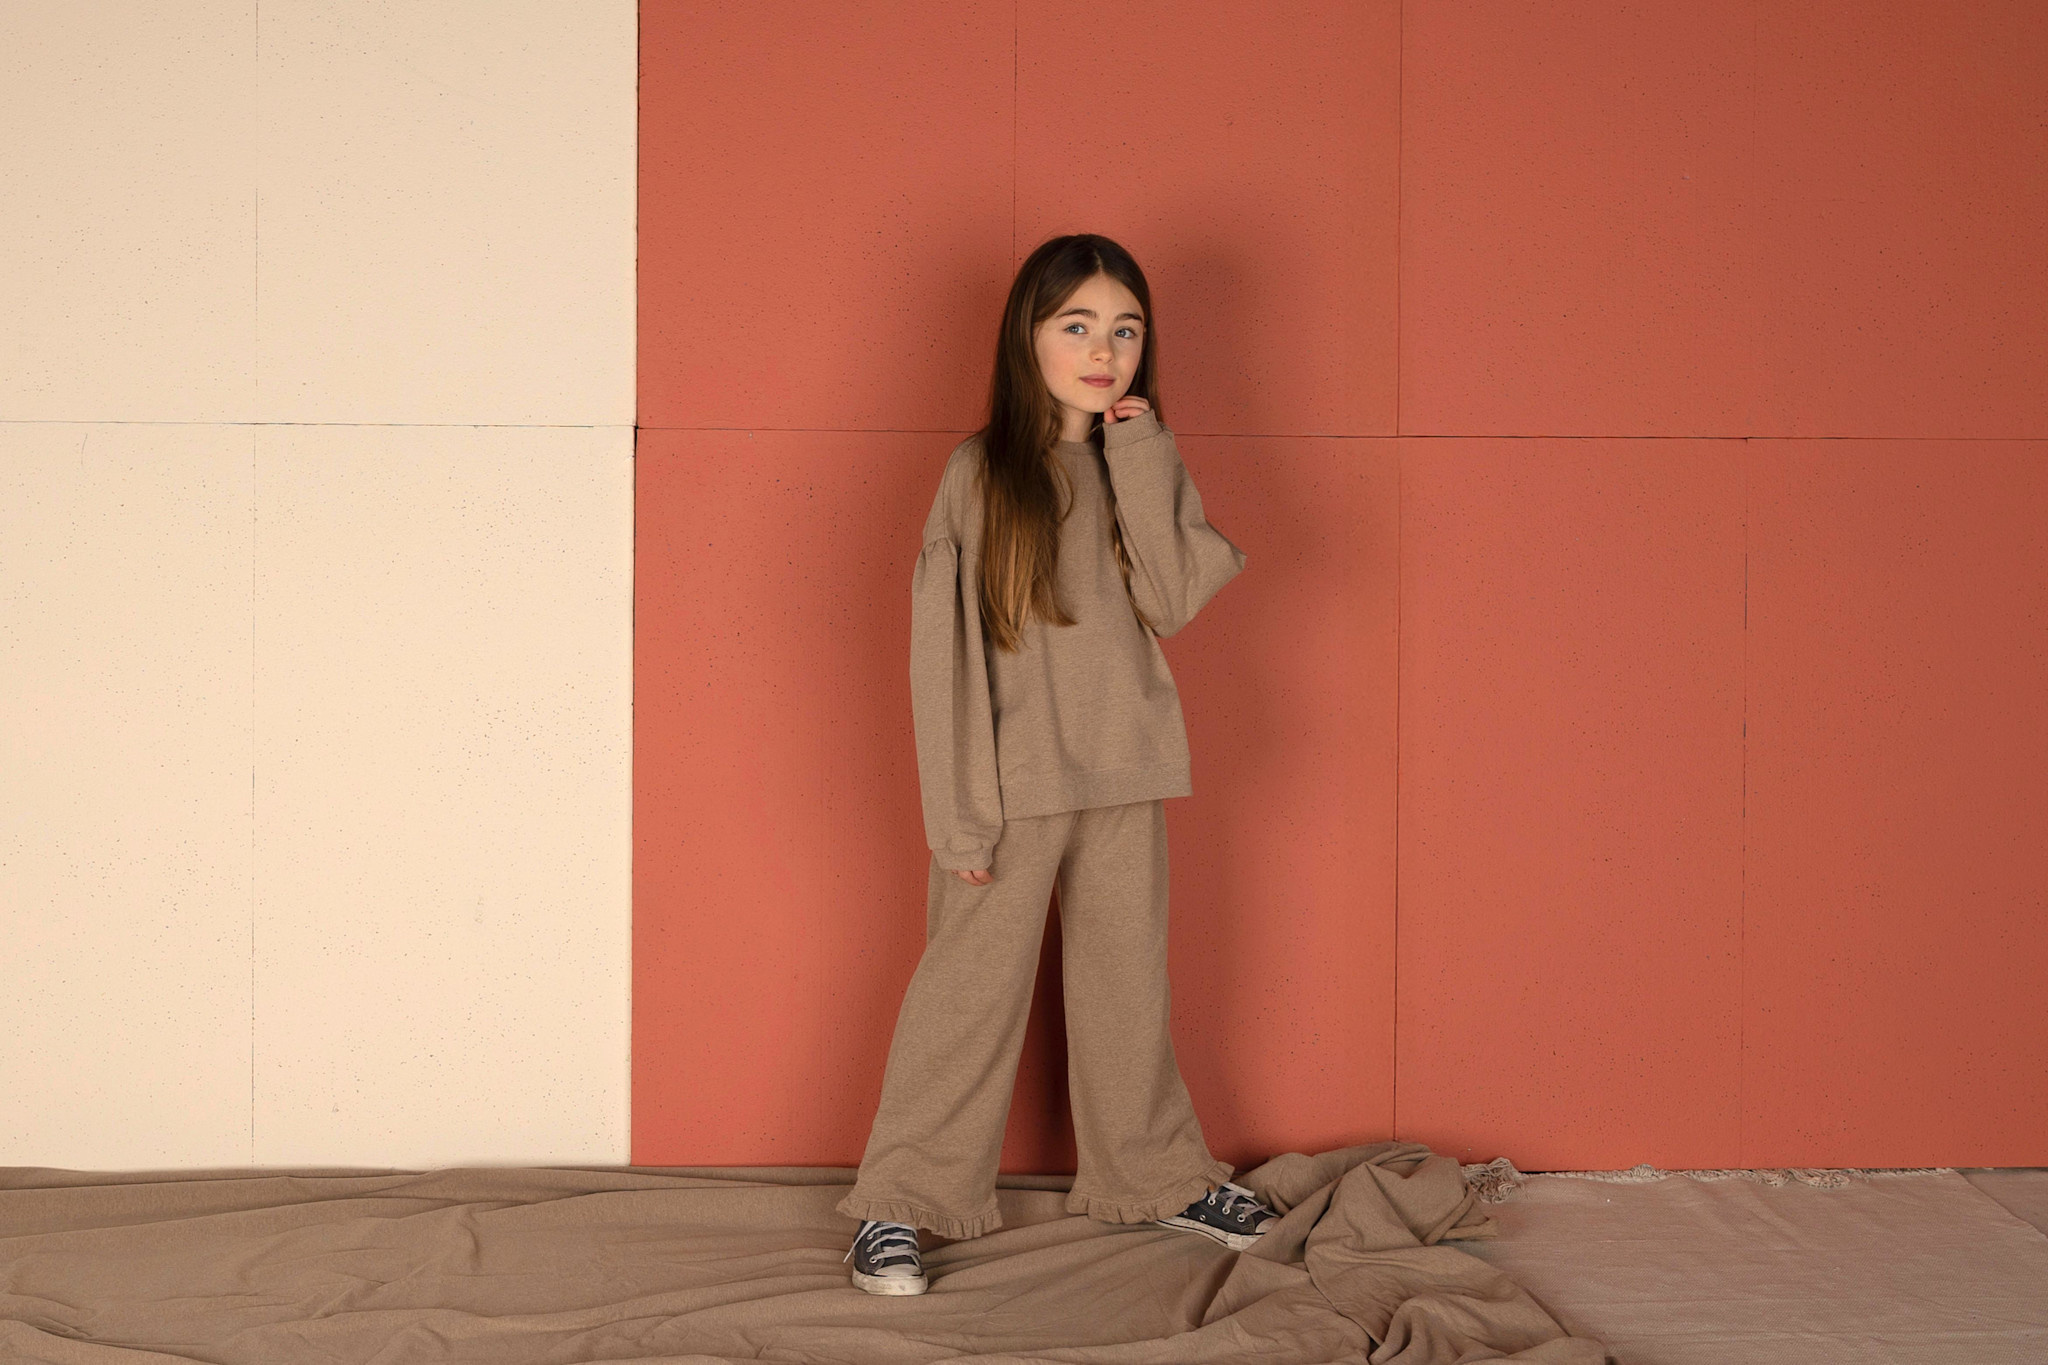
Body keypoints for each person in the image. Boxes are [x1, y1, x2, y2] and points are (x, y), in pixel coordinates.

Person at [839, 234, 1277, 1296]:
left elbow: (1174, 597)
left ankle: (1157, 1176)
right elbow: (943, 656)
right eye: (1076, 325)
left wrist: (1143, 450)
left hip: (1128, 771)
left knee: (1128, 994)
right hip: (1010, 787)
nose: (1103, 351)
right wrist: (959, 814)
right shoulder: (980, 473)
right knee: (966, 999)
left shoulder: (1136, 462)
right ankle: (898, 1204)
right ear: (1026, 337)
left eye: (1124, 330)